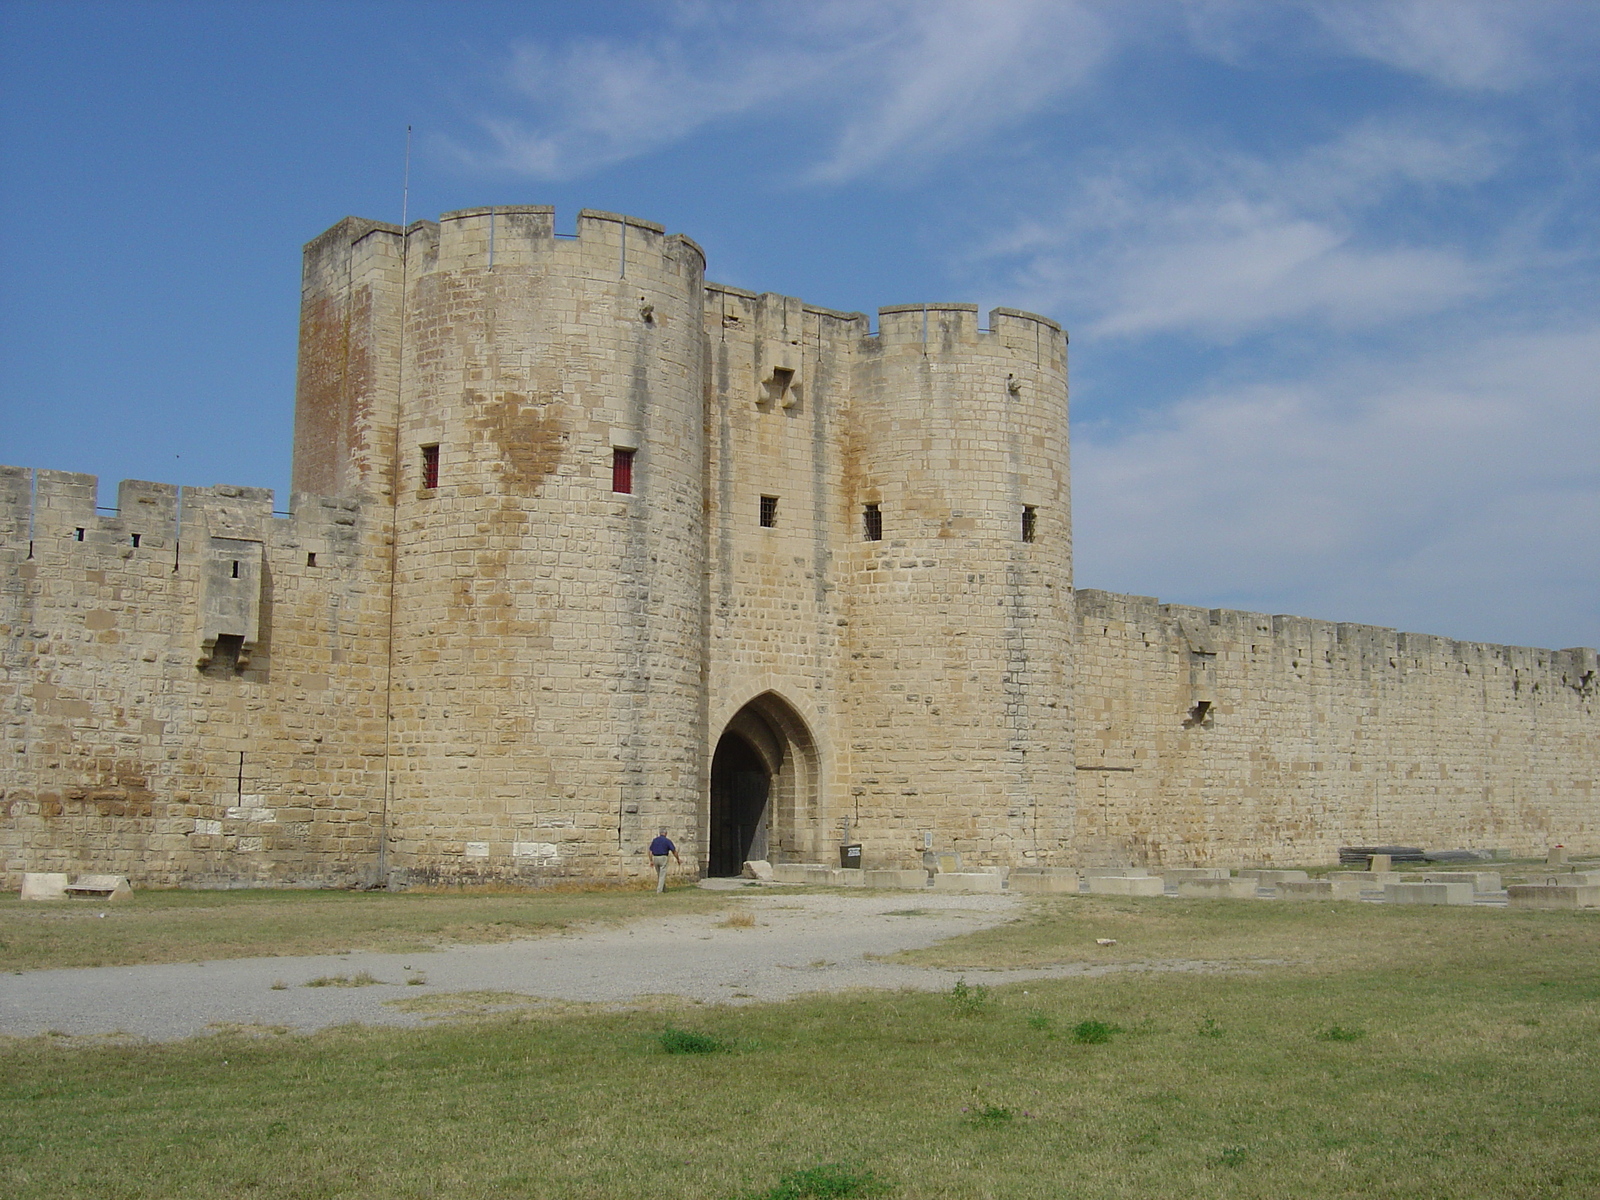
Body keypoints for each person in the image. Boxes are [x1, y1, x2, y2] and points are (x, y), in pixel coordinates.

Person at [647, 828, 681, 893]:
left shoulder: (655, 840)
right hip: (663, 857)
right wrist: (678, 859)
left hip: (655, 858)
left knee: (660, 874)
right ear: (666, 833)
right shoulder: (667, 841)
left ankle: (664, 889)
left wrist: (651, 860)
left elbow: (650, 851)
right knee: (662, 875)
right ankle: (659, 890)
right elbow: (674, 851)